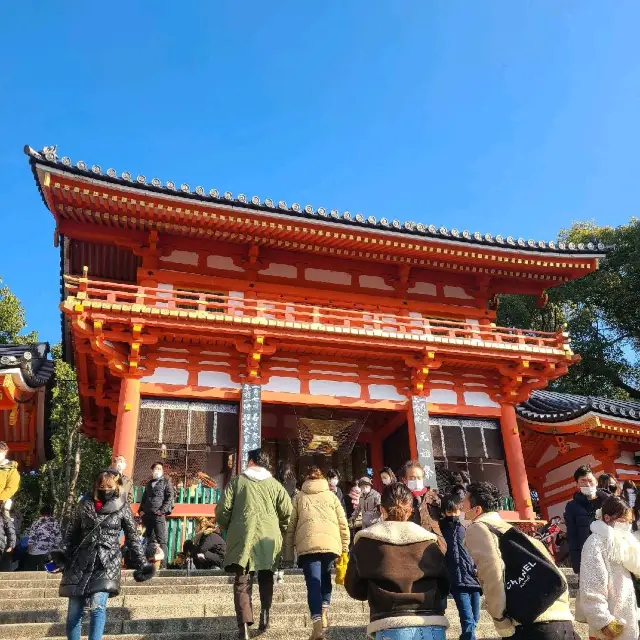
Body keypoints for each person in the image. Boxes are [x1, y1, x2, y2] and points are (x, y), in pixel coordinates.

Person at [463, 482, 575, 639]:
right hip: (561, 618)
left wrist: (499, 618)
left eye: (464, 501)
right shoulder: (513, 531)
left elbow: (491, 571)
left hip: (532, 624)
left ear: (477, 509)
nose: (461, 506)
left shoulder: (478, 528)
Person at [51, 471, 155, 640]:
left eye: (109, 487)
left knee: (98, 606)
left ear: (116, 488)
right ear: (95, 487)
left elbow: (133, 538)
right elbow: (71, 533)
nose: (105, 490)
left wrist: (142, 563)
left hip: (107, 561)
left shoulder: (122, 507)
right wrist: (61, 553)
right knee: (73, 613)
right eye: (101, 487)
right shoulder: (83, 505)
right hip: (81, 562)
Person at [345, 482, 450, 640]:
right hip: (431, 620)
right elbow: (445, 585)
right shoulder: (429, 541)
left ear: (382, 509)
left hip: (390, 622)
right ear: (411, 510)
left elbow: (354, 588)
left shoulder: (366, 542)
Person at [216, 448, 292, 640]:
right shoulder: (275, 485)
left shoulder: (237, 482)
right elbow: (287, 512)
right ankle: (265, 614)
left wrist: (227, 525)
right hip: (269, 535)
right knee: (266, 576)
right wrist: (279, 528)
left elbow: (222, 510)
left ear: (250, 462)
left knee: (242, 581)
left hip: (243, 536)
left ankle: (244, 627)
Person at [283, 467, 350, 640]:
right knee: (325, 579)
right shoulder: (331, 496)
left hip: (308, 546)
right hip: (329, 545)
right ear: (322, 479)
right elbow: (343, 523)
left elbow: (290, 527)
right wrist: (344, 547)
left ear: (306, 480)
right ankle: (324, 611)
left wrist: (288, 554)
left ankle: (317, 626)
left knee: (313, 584)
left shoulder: (299, 497)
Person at [580, 495, 640, 640]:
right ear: (607, 518)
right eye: (621, 521)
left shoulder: (627, 541)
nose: (626, 525)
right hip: (614, 618)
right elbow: (591, 586)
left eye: (629, 522)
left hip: (633, 611)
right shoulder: (596, 543)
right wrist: (604, 622)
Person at [439, 491, 482, 640]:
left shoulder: (468, 528)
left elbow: (477, 551)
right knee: (468, 620)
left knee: (475, 618)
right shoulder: (441, 531)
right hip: (457, 582)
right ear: (445, 512)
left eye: (456, 510)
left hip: (473, 579)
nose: (454, 514)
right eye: (450, 511)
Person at [564, 465, 609, 577]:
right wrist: (577, 565)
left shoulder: (610, 500)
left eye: (590, 480)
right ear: (577, 484)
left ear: (596, 481)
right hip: (589, 554)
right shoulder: (572, 506)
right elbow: (572, 536)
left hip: (611, 551)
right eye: (583, 481)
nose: (587, 484)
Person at [399, 461, 446, 553]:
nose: (416, 481)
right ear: (404, 480)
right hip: (411, 550)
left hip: (435, 547)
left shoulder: (435, 497)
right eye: (412, 478)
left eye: (419, 478)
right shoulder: (400, 501)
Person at [138, 461, 174, 567]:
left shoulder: (166, 482)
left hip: (158, 515)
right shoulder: (149, 484)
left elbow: (169, 497)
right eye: (155, 469)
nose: (157, 471)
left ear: (162, 471)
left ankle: (163, 565)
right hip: (147, 515)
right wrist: (141, 511)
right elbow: (144, 498)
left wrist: (162, 511)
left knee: (161, 539)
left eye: (159, 469)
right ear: (152, 471)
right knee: (149, 539)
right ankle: (149, 561)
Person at [24, 506, 61, 571]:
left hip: (35, 551)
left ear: (40, 513)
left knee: (31, 571)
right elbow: (58, 537)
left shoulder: (36, 522)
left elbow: (32, 536)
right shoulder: (55, 522)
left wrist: (30, 547)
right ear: (50, 513)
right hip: (49, 551)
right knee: (47, 571)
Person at [0, 442, 20, 510]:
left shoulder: (11, 470)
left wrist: (1, 498)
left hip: (2, 503)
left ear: (5, 452)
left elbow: (11, 488)